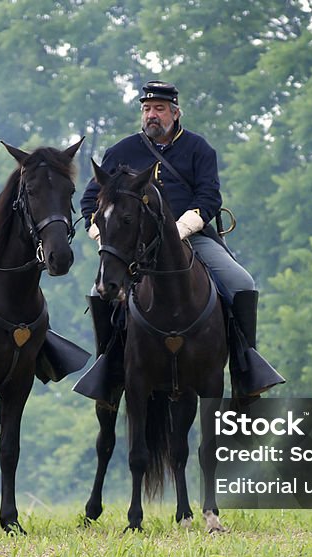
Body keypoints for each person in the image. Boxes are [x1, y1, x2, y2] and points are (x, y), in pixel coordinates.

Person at [76, 80, 283, 403]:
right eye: (146, 109)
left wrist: (178, 230)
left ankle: (246, 368)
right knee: (98, 292)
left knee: (241, 282)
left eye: (159, 109)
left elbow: (209, 197)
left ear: (175, 112)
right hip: (136, 247)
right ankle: (108, 368)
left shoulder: (199, 149)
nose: (152, 115)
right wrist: (106, 236)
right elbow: (91, 202)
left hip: (192, 238)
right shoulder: (120, 151)